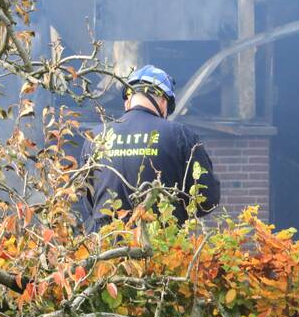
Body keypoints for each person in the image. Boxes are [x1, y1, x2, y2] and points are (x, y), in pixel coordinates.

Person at [81, 65, 220, 229]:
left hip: (105, 247)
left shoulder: (95, 137)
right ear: (163, 102)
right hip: (160, 247)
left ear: (128, 100)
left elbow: (89, 202)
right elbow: (208, 199)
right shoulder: (180, 135)